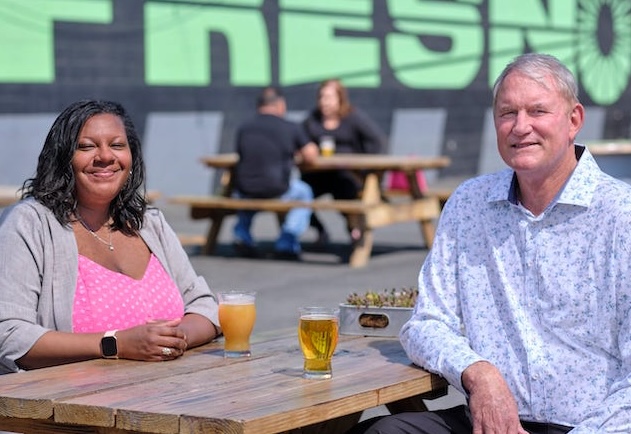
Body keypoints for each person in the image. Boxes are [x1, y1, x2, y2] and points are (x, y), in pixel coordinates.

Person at [351, 53, 631, 433]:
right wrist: (479, 374)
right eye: (507, 113)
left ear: (574, 121)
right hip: (488, 421)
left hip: (594, 425)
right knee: (381, 431)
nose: (520, 126)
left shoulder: (621, 215)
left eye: (537, 111)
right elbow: (426, 323)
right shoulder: (469, 204)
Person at [0, 100, 221, 374]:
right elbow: (8, 334)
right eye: (87, 146)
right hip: (75, 408)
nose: (105, 156)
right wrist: (114, 344)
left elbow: (205, 305)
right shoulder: (30, 223)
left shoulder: (149, 223)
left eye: (117, 145)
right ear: (62, 157)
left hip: (172, 398)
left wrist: (174, 339)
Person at [232, 86, 319, 260]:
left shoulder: (244, 128)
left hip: (245, 189)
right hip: (277, 189)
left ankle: (242, 235)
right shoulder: (290, 127)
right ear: (280, 105)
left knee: (244, 192)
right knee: (305, 192)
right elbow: (311, 154)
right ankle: (286, 241)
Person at [301, 78, 386, 245]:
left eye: (329, 97)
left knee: (346, 191)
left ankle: (354, 230)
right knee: (297, 192)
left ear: (340, 98)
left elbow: (377, 141)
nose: (325, 102)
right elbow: (299, 141)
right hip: (320, 174)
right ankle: (319, 229)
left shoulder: (353, 117)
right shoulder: (312, 120)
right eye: (322, 97)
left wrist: (366, 168)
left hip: (348, 174)